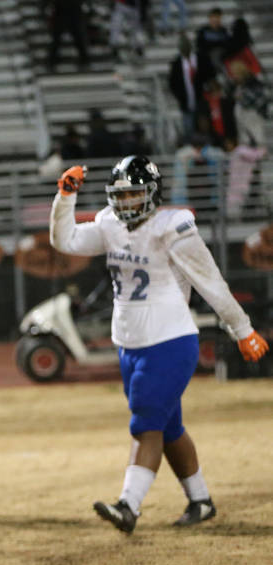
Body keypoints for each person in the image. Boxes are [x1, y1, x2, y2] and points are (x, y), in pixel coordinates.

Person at [50, 157, 269, 534]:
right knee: (168, 427)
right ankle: (200, 500)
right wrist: (65, 198)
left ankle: (128, 505)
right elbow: (64, 239)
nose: (127, 202)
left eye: (134, 193)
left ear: (152, 193)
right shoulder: (109, 224)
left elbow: (210, 281)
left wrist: (242, 329)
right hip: (128, 343)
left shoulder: (172, 227)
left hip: (169, 339)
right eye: (121, 195)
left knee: (145, 423)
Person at [168, 34, 216, 145]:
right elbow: (172, 84)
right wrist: (180, 97)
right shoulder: (177, 64)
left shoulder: (201, 59)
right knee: (189, 130)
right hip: (186, 103)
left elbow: (211, 75)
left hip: (203, 101)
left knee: (205, 128)